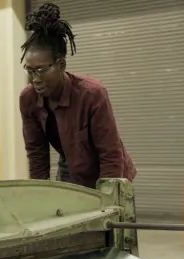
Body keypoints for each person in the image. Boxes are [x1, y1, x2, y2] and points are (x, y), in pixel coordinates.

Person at [19, 2, 136, 188]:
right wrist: (38, 195)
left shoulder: (91, 93)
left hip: (108, 169)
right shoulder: (28, 99)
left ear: (61, 65)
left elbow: (110, 153)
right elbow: (36, 154)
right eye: (30, 71)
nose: (35, 79)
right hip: (70, 168)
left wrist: (110, 198)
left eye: (41, 70)